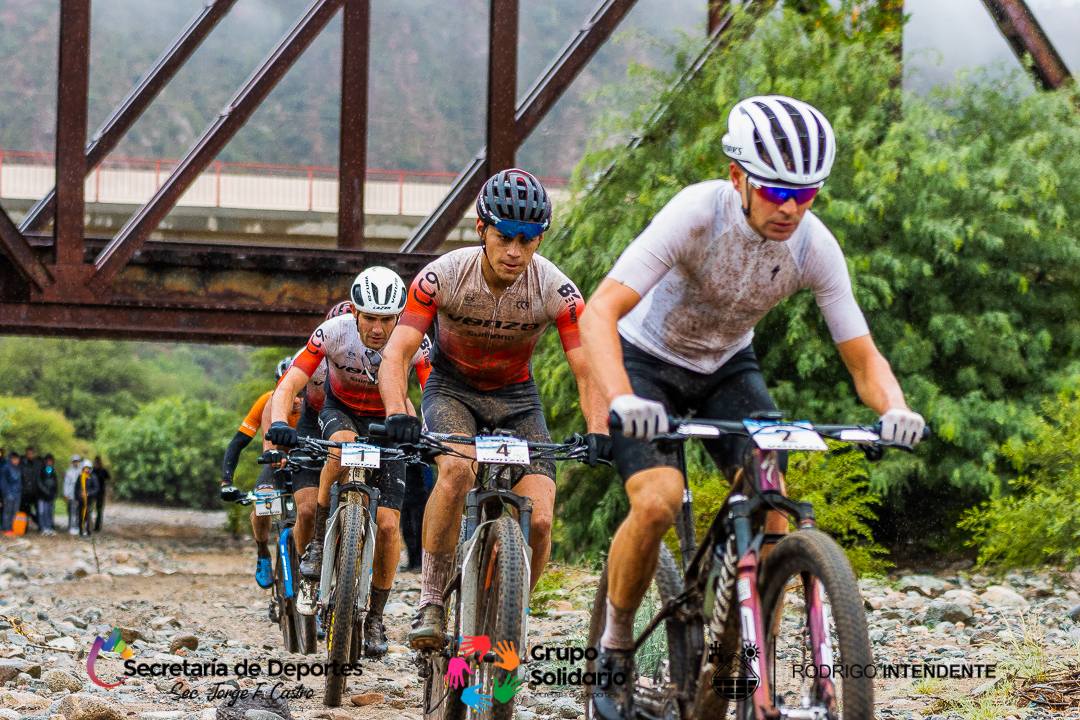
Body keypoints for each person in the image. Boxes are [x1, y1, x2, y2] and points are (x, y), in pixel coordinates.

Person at [578, 95, 927, 718]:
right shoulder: (695, 214)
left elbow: (863, 357)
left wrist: (895, 407)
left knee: (774, 512)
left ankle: (743, 655)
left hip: (727, 368)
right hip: (646, 362)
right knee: (657, 500)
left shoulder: (813, 247)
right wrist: (623, 399)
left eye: (807, 194)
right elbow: (600, 311)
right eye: (774, 191)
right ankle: (615, 643)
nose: (790, 208)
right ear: (738, 176)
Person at [378, 168, 608, 649]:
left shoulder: (557, 290)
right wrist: (398, 410)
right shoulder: (441, 276)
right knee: (458, 473)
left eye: (529, 241)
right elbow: (397, 353)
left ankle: (511, 611)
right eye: (505, 237)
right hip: (452, 390)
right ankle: (433, 600)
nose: (515, 253)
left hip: (517, 400)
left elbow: (587, 368)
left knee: (541, 519)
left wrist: (598, 428)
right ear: (481, 228)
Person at [269, 268, 432, 658]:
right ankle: (317, 544)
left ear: (399, 317)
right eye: (370, 318)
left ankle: (375, 615)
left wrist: (432, 434)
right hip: (340, 411)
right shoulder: (332, 332)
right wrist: (277, 423)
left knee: (390, 526)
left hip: (390, 419)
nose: (378, 329)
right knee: (340, 448)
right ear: (355, 313)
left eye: (387, 319)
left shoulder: (417, 340)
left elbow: (433, 392)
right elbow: (290, 382)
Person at [220, 360, 302, 589]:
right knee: (264, 504)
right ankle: (263, 551)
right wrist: (226, 481)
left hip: (306, 464)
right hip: (274, 464)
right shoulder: (267, 402)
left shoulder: (316, 404)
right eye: (288, 391)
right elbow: (237, 443)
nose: (296, 400)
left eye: (301, 392)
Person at [19, 446, 41, 530]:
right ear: (26, 454)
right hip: (25, 492)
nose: (30, 455)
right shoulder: (22, 462)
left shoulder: (38, 463)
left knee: (39, 510)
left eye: (32, 453)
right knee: (24, 511)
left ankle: (40, 525)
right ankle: (23, 527)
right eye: (28, 454)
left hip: (36, 491)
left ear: (34, 454)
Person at [36, 454, 58, 535]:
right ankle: (43, 527)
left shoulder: (52, 470)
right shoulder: (41, 470)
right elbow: (39, 482)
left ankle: (49, 527)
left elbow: (55, 483)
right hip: (42, 495)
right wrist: (45, 491)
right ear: (45, 461)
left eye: (51, 461)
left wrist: (55, 493)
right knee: (42, 512)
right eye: (48, 460)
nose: (49, 462)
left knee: (49, 512)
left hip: (51, 496)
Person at [76, 460, 99, 536]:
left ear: (90, 468)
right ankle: (81, 531)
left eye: (88, 468)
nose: (86, 469)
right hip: (81, 500)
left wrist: (88, 493)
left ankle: (88, 531)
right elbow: (76, 488)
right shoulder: (80, 477)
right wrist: (79, 495)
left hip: (89, 500)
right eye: (85, 468)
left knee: (88, 515)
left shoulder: (93, 477)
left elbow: (96, 489)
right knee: (80, 515)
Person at [1, 452, 21, 534]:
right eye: (15, 459)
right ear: (11, 459)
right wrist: (7, 493)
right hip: (9, 494)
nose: (16, 461)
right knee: (7, 512)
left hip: (17, 494)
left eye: (18, 459)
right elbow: (3, 482)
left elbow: (19, 482)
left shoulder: (18, 468)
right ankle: (6, 528)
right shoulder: (6, 468)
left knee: (15, 512)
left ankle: (12, 528)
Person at [63, 455, 81, 535]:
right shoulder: (69, 472)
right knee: (71, 512)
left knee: (78, 512)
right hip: (71, 495)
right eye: (74, 461)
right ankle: (71, 527)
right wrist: (66, 494)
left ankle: (77, 527)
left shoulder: (81, 471)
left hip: (79, 495)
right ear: (72, 462)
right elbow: (66, 484)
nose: (76, 463)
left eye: (77, 461)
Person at [91, 456, 110, 532]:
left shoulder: (103, 471)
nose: (96, 464)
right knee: (90, 509)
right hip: (93, 492)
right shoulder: (92, 471)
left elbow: (108, 478)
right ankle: (90, 525)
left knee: (99, 510)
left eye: (97, 462)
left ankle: (97, 526)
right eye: (95, 462)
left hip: (101, 492)